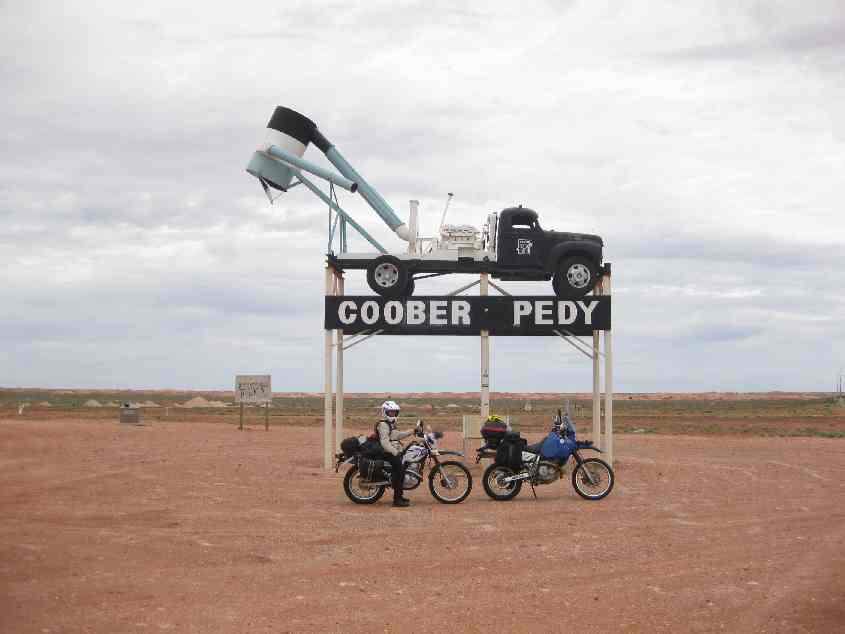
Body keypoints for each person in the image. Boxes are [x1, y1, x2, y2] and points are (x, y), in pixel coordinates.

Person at [375, 400, 415, 508]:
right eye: (390, 412)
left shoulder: (389, 424)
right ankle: (397, 500)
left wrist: (412, 431)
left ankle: (400, 496)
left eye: (394, 412)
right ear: (385, 412)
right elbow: (384, 442)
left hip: (390, 451)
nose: (393, 414)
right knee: (400, 471)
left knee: (403, 467)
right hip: (386, 452)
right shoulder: (383, 424)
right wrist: (395, 452)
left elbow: (397, 435)